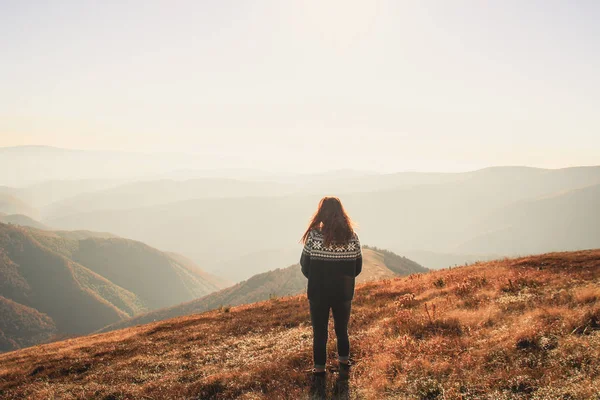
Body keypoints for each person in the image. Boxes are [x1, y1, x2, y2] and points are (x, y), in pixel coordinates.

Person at [300, 196, 362, 380]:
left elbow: (305, 266)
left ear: (321, 213)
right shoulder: (352, 237)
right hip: (343, 294)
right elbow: (357, 268)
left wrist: (318, 278)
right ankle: (344, 362)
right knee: (342, 329)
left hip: (318, 293)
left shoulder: (314, 236)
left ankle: (319, 369)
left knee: (320, 332)